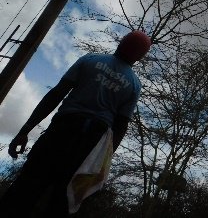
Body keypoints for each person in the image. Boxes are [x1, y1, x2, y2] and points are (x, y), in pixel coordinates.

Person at [0, 30, 151, 217]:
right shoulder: (134, 85)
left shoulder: (90, 60)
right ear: (140, 57)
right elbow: (120, 126)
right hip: (90, 144)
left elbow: (55, 94)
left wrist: (25, 130)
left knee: (25, 189)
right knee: (64, 201)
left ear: (121, 43)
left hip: (61, 131)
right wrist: (102, 161)